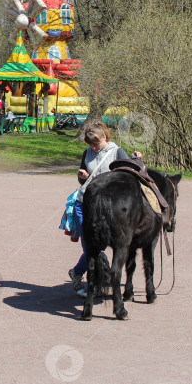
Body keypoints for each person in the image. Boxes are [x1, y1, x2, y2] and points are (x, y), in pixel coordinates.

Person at [68, 121, 141, 297]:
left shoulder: (117, 152)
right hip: (84, 204)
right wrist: (83, 177)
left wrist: (136, 160)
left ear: (105, 137)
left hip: (108, 208)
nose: (93, 147)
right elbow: (83, 179)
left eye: (96, 143)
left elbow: (129, 176)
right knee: (91, 249)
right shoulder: (87, 153)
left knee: (99, 247)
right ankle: (80, 275)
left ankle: (81, 275)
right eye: (90, 144)